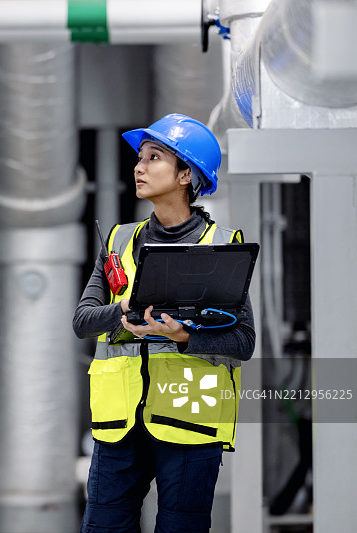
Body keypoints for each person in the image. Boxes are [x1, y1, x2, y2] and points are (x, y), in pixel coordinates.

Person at [73, 113, 255, 533]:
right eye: (140, 157)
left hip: (192, 420)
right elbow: (83, 321)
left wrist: (184, 336)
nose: (139, 167)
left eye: (154, 157)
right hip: (120, 425)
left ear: (186, 175)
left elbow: (243, 341)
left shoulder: (224, 247)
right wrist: (124, 315)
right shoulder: (120, 242)